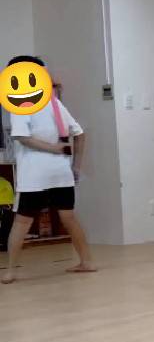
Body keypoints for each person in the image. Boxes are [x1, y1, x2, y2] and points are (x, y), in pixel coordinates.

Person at [2, 56, 95, 285]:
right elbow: (80, 134)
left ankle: (10, 271)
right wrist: (75, 166)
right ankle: (87, 261)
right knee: (69, 218)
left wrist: (53, 148)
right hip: (61, 173)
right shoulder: (53, 103)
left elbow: (23, 137)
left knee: (22, 222)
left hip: (34, 175)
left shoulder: (21, 103)